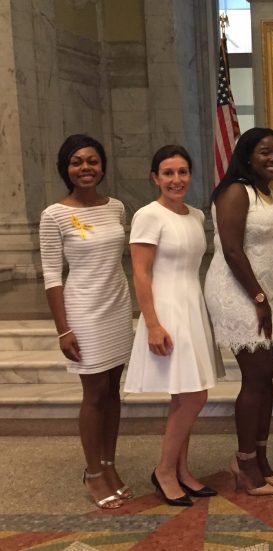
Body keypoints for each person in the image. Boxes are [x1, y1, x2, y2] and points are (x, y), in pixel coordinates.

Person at [40, 135, 135, 510]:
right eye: (77, 162)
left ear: (102, 166)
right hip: (83, 311)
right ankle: (93, 472)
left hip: (116, 307)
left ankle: (109, 463)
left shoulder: (116, 208)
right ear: (66, 168)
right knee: (94, 393)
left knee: (114, 390)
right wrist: (63, 328)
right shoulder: (55, 215)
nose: (85, 168)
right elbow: (51, 276)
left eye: (92, 161)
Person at [125, 145, 222, 506]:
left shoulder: (195, 215)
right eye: (168, 173)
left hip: (191, 304)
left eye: (182, 172)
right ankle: (164, 470)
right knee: (196, 395)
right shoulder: (148, 215)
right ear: (155, 177)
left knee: (186, 392)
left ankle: (182, 470)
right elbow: (140, 273)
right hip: (166, 309)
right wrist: (151, 323)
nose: (176, 179)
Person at [205, 128, 273, 496]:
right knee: (255, 377)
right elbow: (232, 250)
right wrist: (258, 298)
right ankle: (243, 463)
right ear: (246, 155)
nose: (272, 159)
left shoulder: (268, 194)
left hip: (267, 289)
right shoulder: (236, 191)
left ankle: (260, 454)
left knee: (265, 377)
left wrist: (267, 296)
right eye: (264, 152)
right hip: (240, 291)